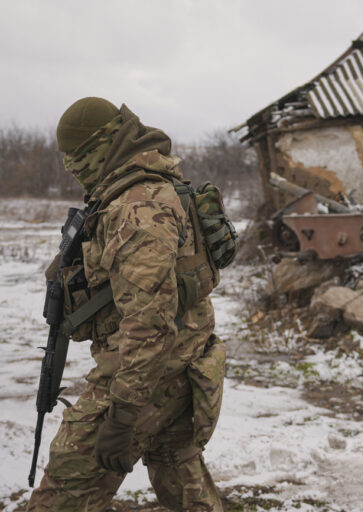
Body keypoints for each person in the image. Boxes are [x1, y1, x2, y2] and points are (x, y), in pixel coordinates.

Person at [27, 97, 225, 511]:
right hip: (181, 363)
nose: (72, 168)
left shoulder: (137, 206)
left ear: (99, 147)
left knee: (64, 489)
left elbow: (150, 322)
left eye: (75, 158)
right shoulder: (143, 188)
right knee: (184, 485)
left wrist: (122, 413)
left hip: (149, 373)